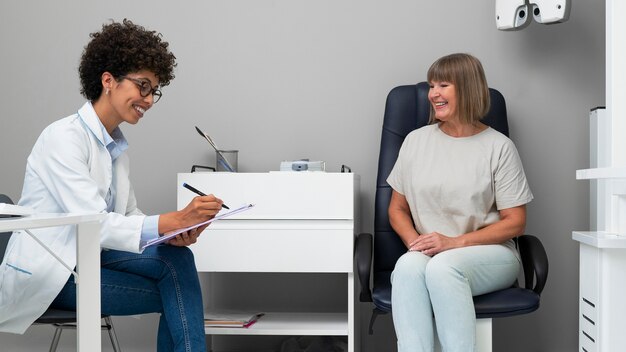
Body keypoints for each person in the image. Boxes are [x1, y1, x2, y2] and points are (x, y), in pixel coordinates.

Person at [0, 20, 220, 352]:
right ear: (108, 81)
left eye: (154, 91)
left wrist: (172, 235)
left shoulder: (115, 148)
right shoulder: (63, 138)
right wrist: (171, 220)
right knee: (175, 289)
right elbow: (95, 223)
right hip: (53, 273)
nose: (149, 99)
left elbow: (129, 215)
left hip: (92, 258)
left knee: (178, 259)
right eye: (143, 85)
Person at [387, 53, 533, 352]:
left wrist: (454, 243)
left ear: (467, 88)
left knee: (443, 268)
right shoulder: (415, 141)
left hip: (489, 254)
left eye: (443, 85)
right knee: (406, 268)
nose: (433, 94)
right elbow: (397, 208)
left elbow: (515, 222)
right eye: (431, 86)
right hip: (432, 251)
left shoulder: (499, 148)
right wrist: (417, 244)